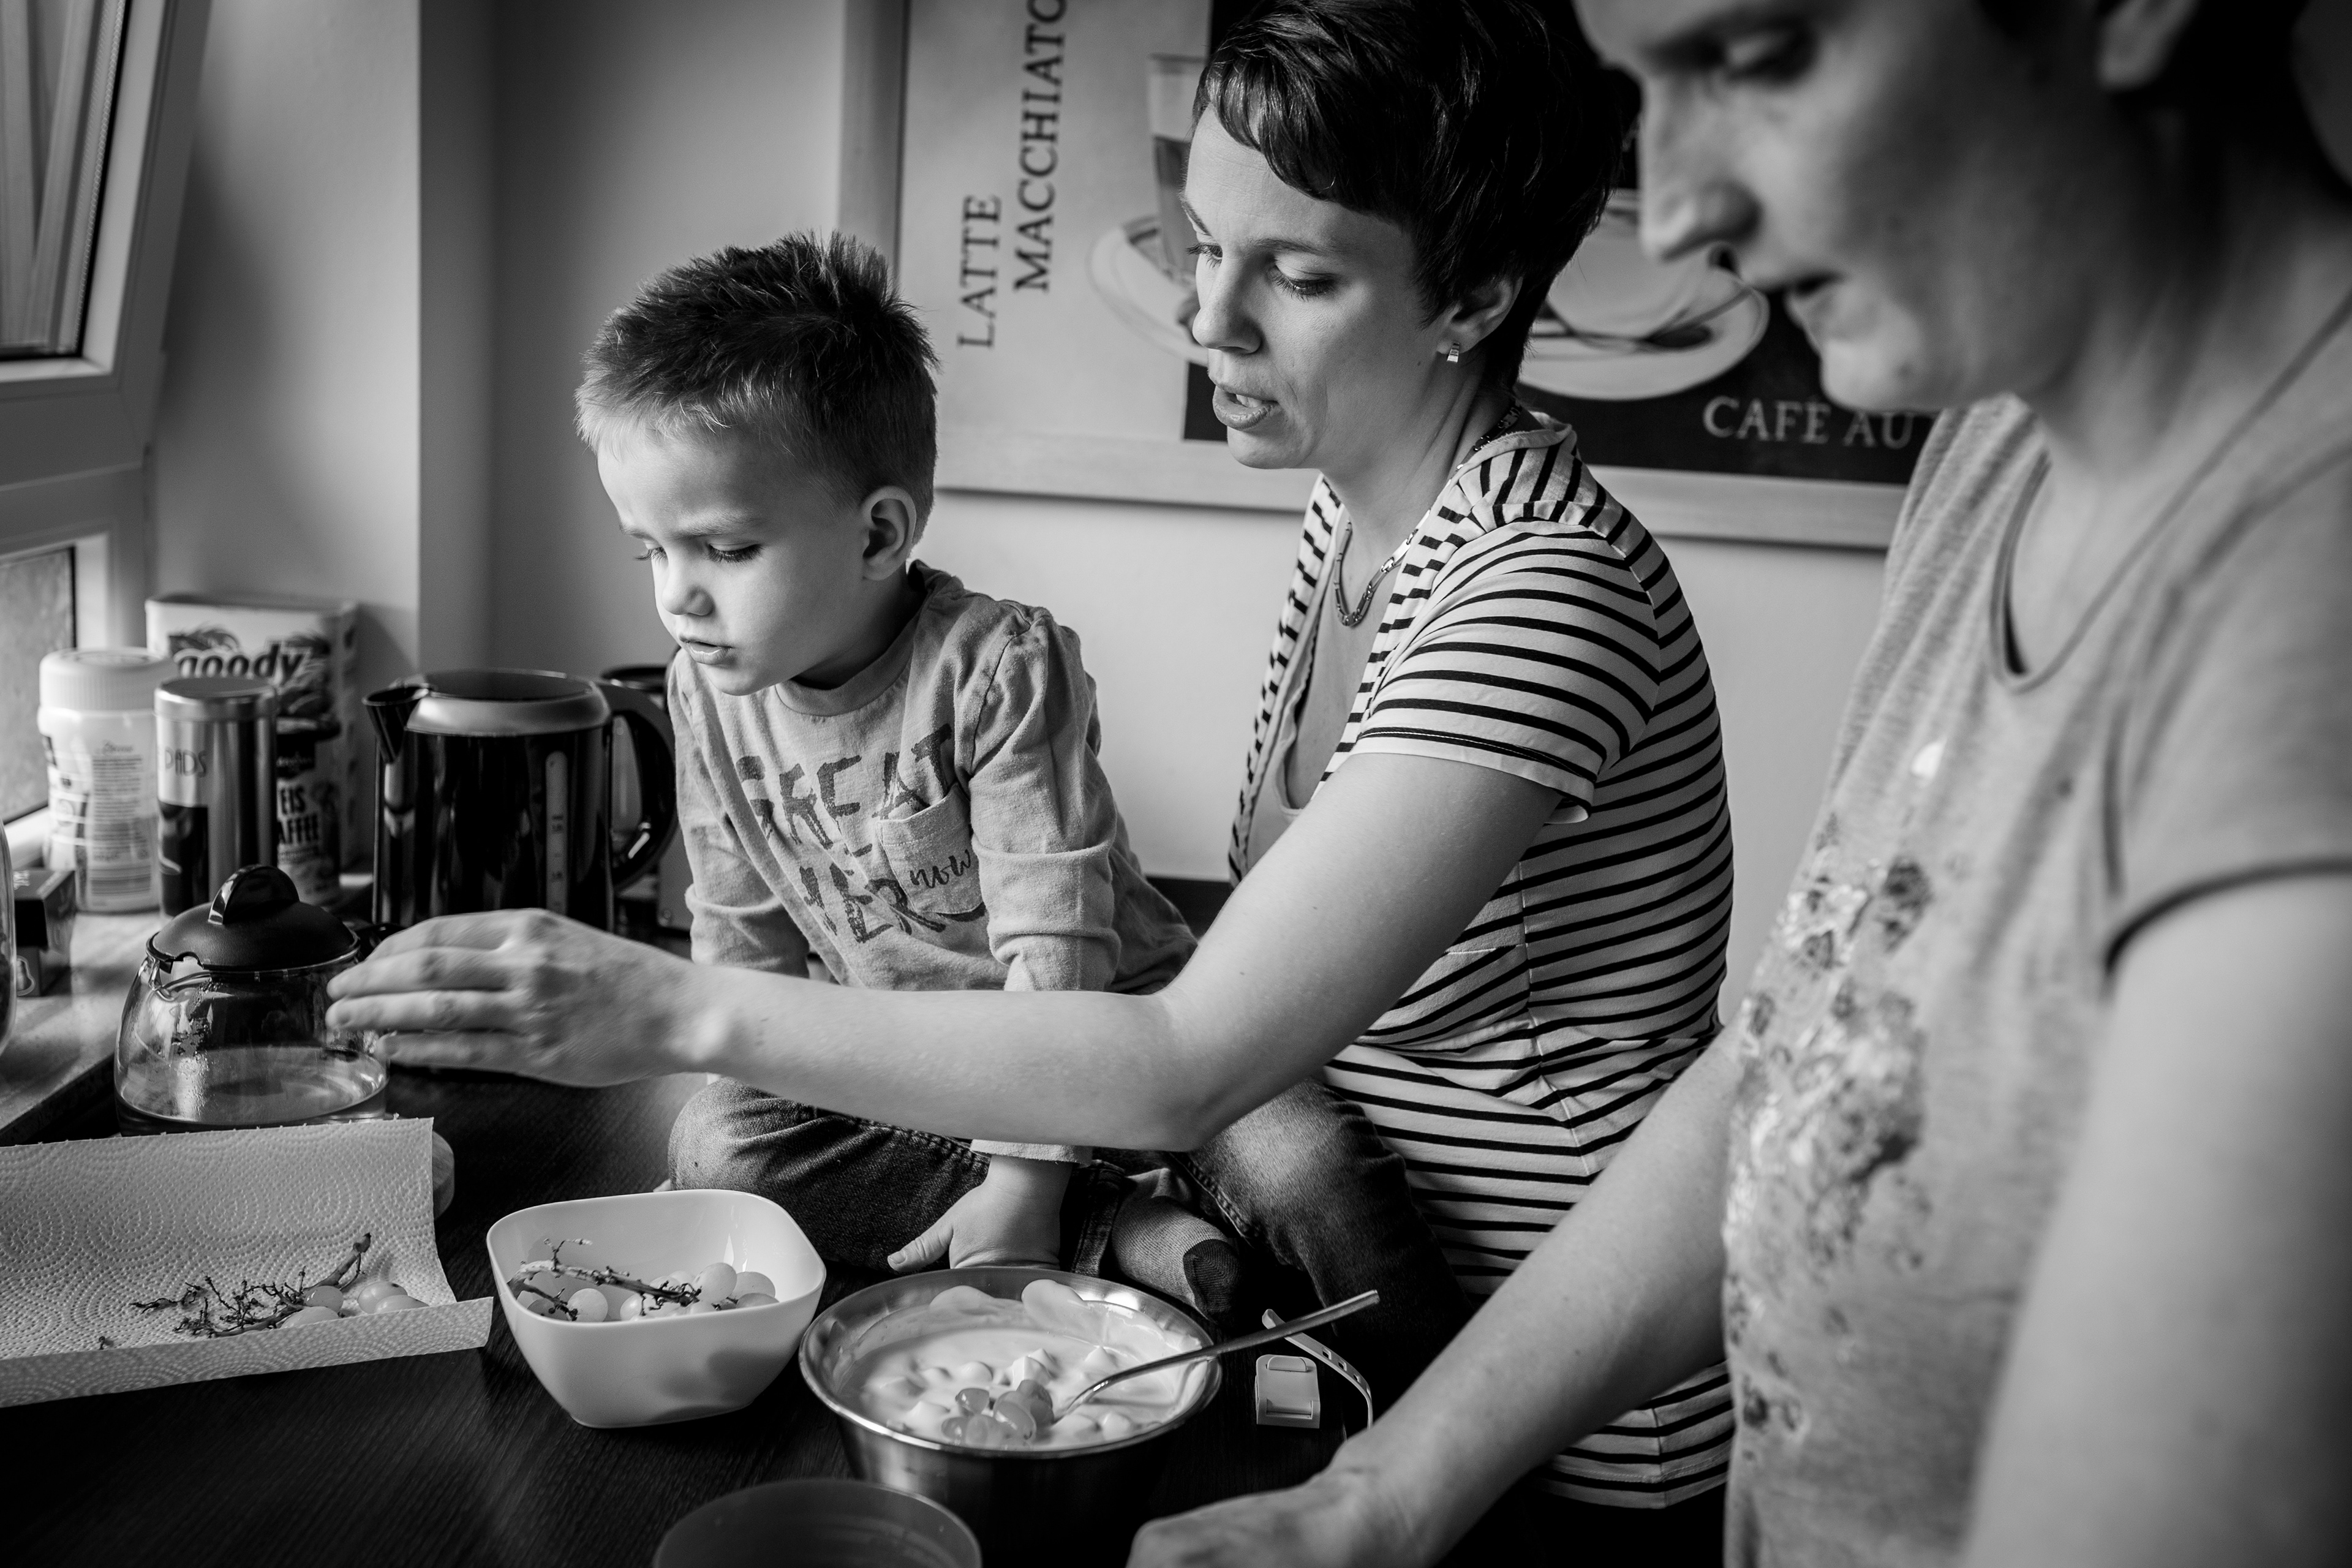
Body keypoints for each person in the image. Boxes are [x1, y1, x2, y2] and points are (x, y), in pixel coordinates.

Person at [331, 0, 1739, 1551]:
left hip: (1540, 1426)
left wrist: (668, 1006)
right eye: (1205, 245)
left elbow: (1188, 1057)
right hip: (1339, 1328)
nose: (1208, 318)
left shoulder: (1539, 590)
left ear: (1472, 294)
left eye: (1300, 275)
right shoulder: (1359, 520)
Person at [1105, 0, 2352, 1563]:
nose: (1682, 213)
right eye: (1651, 83)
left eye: (1755, 59)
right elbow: (1803, 1041)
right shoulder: (1997, 446)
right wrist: (1374, 1498)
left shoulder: (2309, 598)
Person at [573, 232, 1466, 1392]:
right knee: (718, 1142)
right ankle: (1128, 1237)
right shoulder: (703, 693)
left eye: (725, 549)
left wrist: (1027, 1172)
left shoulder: (996, 667)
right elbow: (743, 952)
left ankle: (1450, 1421)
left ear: (880, 533)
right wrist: (714, 1176)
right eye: (650, 551)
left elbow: (1057, 942)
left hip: (1128, 1039)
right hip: (921, 1079)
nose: (678, 596)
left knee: (1313, 1170)